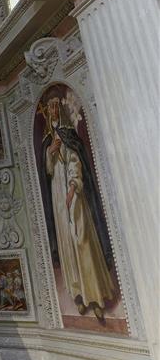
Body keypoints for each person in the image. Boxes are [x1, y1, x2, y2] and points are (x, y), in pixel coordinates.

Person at [39, 91, 115, 321]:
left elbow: (75, 161)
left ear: (59, 110)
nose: (52, 111)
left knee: (82, 239)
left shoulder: (68, 134)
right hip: (57, 196)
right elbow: (48, 171)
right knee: (67, 244)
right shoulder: (48, 141)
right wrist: (50, 153)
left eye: (54, 107)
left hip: (74, 193)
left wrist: (73, 186)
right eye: (49, 109)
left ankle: (97, 296)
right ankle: (79, 294)